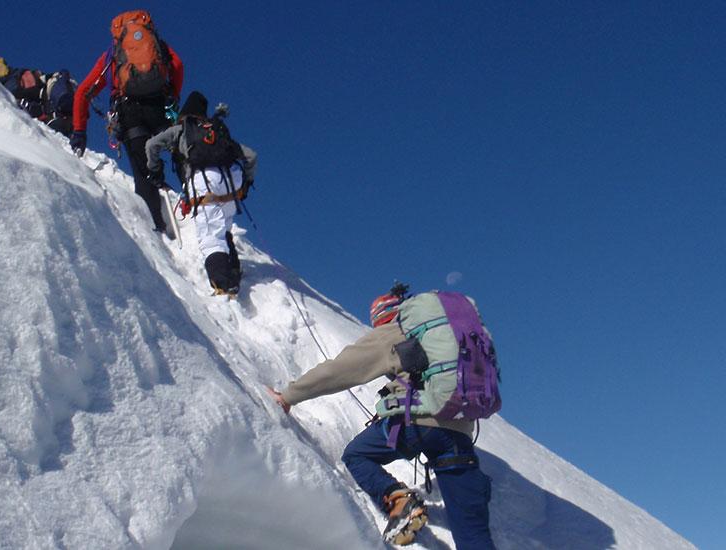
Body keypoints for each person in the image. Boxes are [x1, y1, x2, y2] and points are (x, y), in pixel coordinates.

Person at [267, 290, 497, 549]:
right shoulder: (449, 332)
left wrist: (289, 396)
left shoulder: (391, 332)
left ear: (380, 318)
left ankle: (399, 501)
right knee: (473, 534)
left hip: (417, 424)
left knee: (357, 455)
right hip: (460, 431)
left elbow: (339, 371)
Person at [69, 10, 184, 234]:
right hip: (159, 107)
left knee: (143, 172)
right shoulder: (158, 45)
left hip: (129, 112)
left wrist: (80, 130)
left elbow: (82, 92)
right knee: (178, 153)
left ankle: (156, 228)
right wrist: (173, 96)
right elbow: (177, 65)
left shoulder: (112, 55)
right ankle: (196, 202)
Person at [145, 91, 257, 296]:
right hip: (231, 183)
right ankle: (233, 269)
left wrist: (154, 171)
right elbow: (250, 156)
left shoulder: (181, 130)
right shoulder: (216, 131)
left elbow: (151, 145)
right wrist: (247, 183)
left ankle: (223, 284)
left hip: (204, 183)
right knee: (224, 228)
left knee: (209, 235)